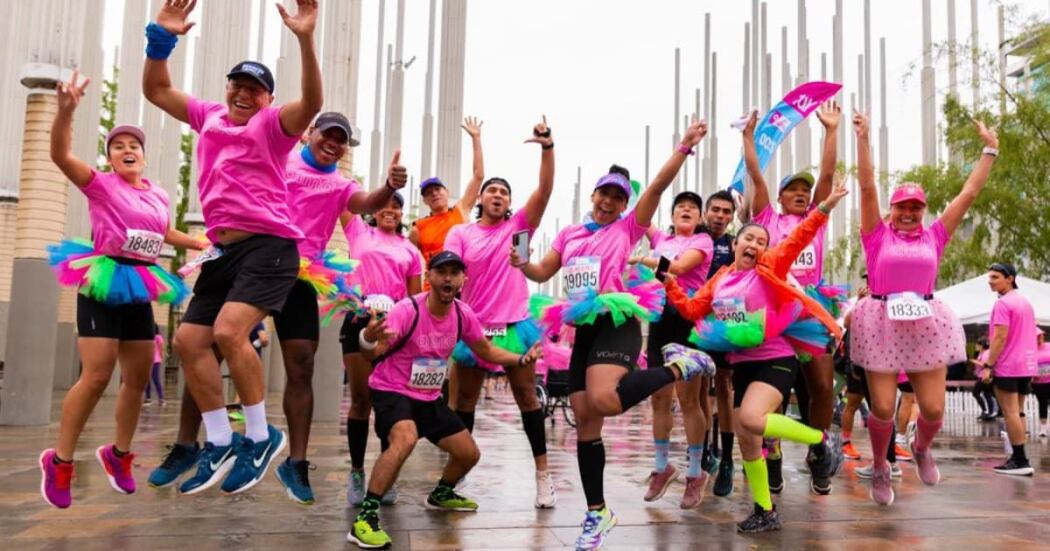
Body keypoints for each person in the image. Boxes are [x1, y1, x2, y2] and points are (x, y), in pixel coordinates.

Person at [143, 0, 323, 495]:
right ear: (227, 90)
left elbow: (309, 105)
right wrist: (162, 41)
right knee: (187, 342)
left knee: (228, 331)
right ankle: (220, 441)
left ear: (267, 98)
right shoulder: (209, 116)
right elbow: (155, 89)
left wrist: (305, 40)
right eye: (237, 86)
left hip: (269, 245)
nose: (243, 94)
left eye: (254, 89)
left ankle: (262, 436)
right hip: (222, 252)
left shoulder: (272, 127)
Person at [513, 117, 712, 550]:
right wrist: (520, 261)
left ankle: (680, 366)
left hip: (616, 322)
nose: (608, 201)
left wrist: (682, 147)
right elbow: (542, 270)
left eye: (617, 197)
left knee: (604, 399)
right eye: (604, 193)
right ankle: (597, 514)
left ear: (626, 205)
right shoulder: (570, 234)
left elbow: (657, 189)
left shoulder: (627, 228)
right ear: (593, 196)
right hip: (584, 329)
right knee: (587, 424)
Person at [39, 70, 200, 509]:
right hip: (104, 277)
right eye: (118, 145)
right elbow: (59, 155)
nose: (127, 150)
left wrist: (201, 240)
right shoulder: (100, 184)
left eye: (134, 146)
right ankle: (61, 461)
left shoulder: (160, 195)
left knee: (135, 380)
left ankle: (120, 454)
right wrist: (66, 114)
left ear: (144, 157)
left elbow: (163, 232)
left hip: (141, 283)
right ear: (110, 157)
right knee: (96, 375)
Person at [666, 177, 849, 533]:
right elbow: (691, 310)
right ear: (736, 244)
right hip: (742, 365)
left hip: (776, 359)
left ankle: (820, 438)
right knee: (749, 440)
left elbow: (799, 238)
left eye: (761, 241)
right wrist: (668, 281)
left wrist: (825, 206)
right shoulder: (720, 279)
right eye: (749, 238)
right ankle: (765, 510)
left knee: (750, 419)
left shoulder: (770, 267)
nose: (754, 244)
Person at [849, 110, 999, 506]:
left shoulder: (936, 235)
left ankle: (920, 447)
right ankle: (881, 466)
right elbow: (867, 188)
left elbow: (967, 194)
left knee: (932, 409)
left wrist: (989, 151)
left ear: (924, 210)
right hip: (881, 322)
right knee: (882, 406)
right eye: (903, 206)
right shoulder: (876, 236)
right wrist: (863, 138)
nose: (909, 213)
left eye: (916, 207)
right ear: (893, 209)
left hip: (924, 322)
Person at [347, 251, 540, 549]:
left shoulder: (464, 314)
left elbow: (486, 351)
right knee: (405, 439)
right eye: (441, 272)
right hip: (393, 390)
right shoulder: (407, 310)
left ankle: (441, 494)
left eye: (454, 272)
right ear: (430, 278)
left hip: (428, 397)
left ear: (464, 280)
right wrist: (368, 337)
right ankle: (365, 519)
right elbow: (372, 352)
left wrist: (520, 358)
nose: (448, 278)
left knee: (469, 454)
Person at [443, 116, 557, 508]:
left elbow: (544, 190)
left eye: (503, 193)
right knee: (464, 403)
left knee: (528, 397)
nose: (497, 195)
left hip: (514, 325)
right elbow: (448, 277)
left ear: (509, 203)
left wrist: (547, 149)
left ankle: (544, 477)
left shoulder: (520, 229)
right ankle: (457, 477)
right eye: (490, 190)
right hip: (473, 328)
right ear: (480, 200)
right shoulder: (461, 233)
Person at [743, 101, 842, 495]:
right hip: (771, 307)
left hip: (808, 308)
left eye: (805, 190)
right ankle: (773, 450)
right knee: (775, 387)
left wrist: (831, 131)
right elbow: (755, 175)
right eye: (794, 190)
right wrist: (749, 138)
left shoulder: (815, 221)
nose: (801, 195)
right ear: (781, 198)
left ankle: (819, 452)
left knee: (822, 386)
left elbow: (830, 175)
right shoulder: (767, 219)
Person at [630, 190, 715, 508]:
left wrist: (641, 259)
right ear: (673, 214)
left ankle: (695, 473)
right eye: (681, 206)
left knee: (689, 399)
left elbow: (677, 268)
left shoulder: (702, 242)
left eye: (693, 207)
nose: (686, 210)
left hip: (687, 319)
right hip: (659, 320)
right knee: (659, 399)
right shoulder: (661, 239)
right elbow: (642, 216)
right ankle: (662, 466)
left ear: (699, 217)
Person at [341, 192, 423, 506]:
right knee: (361, 399)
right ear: (374, 209)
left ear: (402, 213)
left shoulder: (411, 250)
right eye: (385, 204)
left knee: (388, 402)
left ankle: (385, 473)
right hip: (359, 320)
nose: (391, 209)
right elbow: (342, 197)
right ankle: (358, 471)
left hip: (393, 328)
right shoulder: (357, 230)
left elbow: (415, 299)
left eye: (397, 206)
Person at [976, 262, 1038, 476]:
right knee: (1018, 412)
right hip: (1026, 365)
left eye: (995, 277)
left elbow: (1000, 337)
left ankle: (1020, 459)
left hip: (1008, 365)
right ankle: (1018, 456)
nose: (990, 282)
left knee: (1009, 413)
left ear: (1009, 278)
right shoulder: (1025, 302)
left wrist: (988, 365)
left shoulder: (1003, 304)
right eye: (989, 277)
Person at [700, 190, 739, 497]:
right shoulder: (692, 237)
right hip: (694, 322)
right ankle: (701, 451)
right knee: (698, 387)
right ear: (705, 211)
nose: (720, 216)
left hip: (724, 323)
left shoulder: (735, 244)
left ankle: (727, 458)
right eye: (715, 210)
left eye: (726, 211)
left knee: (724, 388)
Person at [410, 117, 485, 272]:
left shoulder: (460, 210)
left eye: (438, 189)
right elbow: (407, 260)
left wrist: (476, 139)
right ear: (424, 200)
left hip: (462, 282)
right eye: (429, 193)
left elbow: (479, 176)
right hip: (433, 287)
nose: (434, 194)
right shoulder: (418, 228)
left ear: (447, 192)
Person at [972, 339, 999, 421]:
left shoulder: (986, 353)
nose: (976, 346)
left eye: (977, 345)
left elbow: (987, 365)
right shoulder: (982, 353)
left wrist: (976, 362)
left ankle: (986, 410)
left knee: (976, 392)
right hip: (982, 376)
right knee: (987, 394)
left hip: (985, 376)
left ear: (981, 345)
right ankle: (989, 412)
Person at [1033, 332, 1050, 437]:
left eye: (1041, 336)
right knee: (1042, 403)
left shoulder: (1049, 346)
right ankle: (1043, 429)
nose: (1039, 338)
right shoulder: (1030, 349)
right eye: (1036, 336)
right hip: (1038, 382)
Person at [145, 324, 166, 406]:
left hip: (155, 361)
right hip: (148, 361)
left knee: (156, 380)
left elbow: (161, 348)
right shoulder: (148, 337)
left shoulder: (158, 337)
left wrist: (161, 357)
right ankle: (148, 399)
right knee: (147, 380)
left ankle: (161, 399)